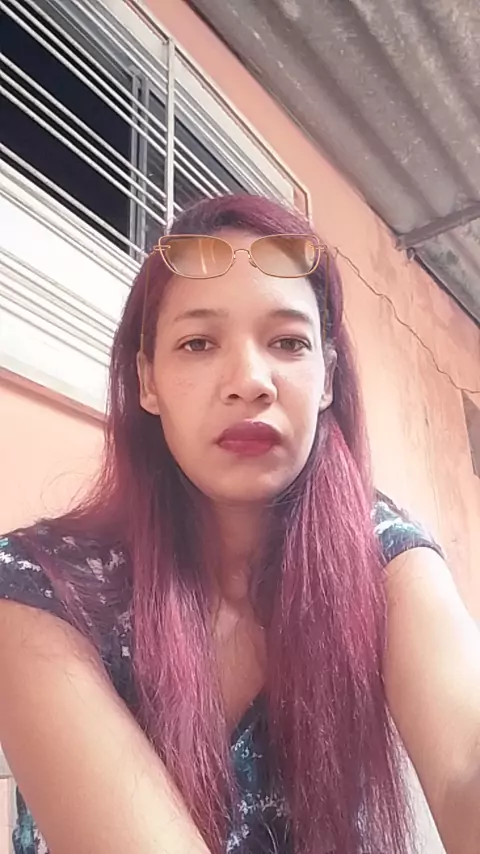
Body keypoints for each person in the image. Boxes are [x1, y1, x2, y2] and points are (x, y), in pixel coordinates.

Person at [0, 194, 479, 854]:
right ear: (148, 381)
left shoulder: (383, 553)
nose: (250, 381)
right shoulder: (37, 587)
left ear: (327, 379)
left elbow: (464, 764)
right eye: (198, 343)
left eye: (288, 342)